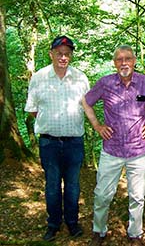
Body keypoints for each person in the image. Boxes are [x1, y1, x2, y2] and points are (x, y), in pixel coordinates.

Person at [82, 45, 145, 246]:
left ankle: (135, 233)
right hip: (111, 150)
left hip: (138, 149)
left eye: (127, 58)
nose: (124, 63)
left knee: (137, 196)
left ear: (134, 61)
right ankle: (99, 231)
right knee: (102, 194)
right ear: (114, 63)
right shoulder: (105, 83)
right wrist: (97, 125)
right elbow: (86, 102)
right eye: (119, 59)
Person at [25, 35, 89, 241]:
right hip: (49, 142)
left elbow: (87, 107)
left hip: (74, 143)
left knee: (72, 185)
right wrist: (50, 123)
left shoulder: (81, 78)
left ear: (71, 56)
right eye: (59, 53)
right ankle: (53, 224)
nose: (63, 57)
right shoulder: (39, 78)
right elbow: (33, 109)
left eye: (67, 54)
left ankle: (72, 223)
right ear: (51, 54)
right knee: (52, 185)